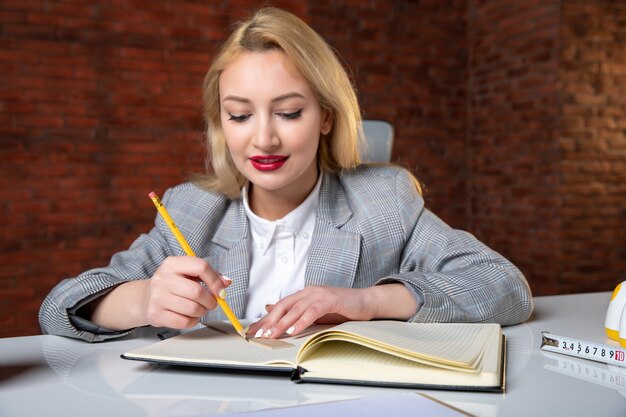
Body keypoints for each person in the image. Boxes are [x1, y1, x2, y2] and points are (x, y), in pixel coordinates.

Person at [39, 7, 533, 343]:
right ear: (221, 126)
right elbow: (57, 308)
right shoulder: (191, 209)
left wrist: (366, 301)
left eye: (289, 113)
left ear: (326, 117)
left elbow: (506, 287)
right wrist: (142, 300)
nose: (263, 140)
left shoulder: (382, 201)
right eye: (239, 116)